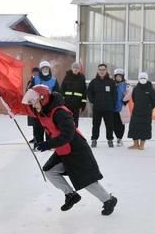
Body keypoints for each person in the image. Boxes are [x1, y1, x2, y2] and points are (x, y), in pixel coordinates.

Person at [22, 85, 118, 216]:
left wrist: (48, 144)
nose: (32, 105)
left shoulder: (60, 112)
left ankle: (108, 200)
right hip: (63, 150)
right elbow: (43, 126)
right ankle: (71, 195)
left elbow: (68, 134)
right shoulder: (43, 111)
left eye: (34, 101)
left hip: (77, 150)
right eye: (31, 102)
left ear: (43, 98)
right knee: (50, 171)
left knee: (87, 181)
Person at [87, 63, 117, 148]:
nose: (102, 71)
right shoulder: (94, 82)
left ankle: (110, 140)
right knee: (96, 125)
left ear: (106, 70)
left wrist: (113, 104)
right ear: (98, 71)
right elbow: (89, 92)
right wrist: (93, 101)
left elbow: (115, 94)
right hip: (97, 108)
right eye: (100, 70)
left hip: (108, 108)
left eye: (103, 70)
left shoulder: (111, 82)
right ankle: (94, 140)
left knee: (109, 125)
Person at [30, 60, 60, 144]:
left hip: (49, 107)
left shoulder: (54, 80)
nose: (45, 70)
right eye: (43, 68)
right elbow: (29, 92)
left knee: (49, 126)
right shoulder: (35, 79)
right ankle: (38, 143)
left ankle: (49, 143)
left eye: (47, 68)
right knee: (37, 126)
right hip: (37, 107)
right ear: (40, 69)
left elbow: (57, 94)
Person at [128, 72, 155, 150]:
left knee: (144, 128)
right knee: (134, 127)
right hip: (136, 112)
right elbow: (134, 98)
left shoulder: (151, 89)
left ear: (147, 79)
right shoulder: (136, 89)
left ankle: (142, 145)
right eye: (141, 78)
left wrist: (149, 107)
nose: (142, 79)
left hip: (146, 113)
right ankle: (135, 144)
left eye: (144, 78)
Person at [60, 62, 87, 127]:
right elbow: (62, 89)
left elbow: (84, 91)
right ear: (72, 68)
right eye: (74, 68)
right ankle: (67, 134)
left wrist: (83, 103)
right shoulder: (67, 77)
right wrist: (62, 101)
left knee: (75, 121)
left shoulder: (82, 78)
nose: (76, 69)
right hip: (67, 103)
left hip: (76, 104)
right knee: (66, 120)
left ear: (79, 69)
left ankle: (75, 135)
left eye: (77, 68)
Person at [112, 69, 129, 146]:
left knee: (121, 124)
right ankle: (116, 136)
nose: (118, 78)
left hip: (122, 108)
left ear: (122, 77)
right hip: (113, 108)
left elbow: (129, 94)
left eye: (120, 76)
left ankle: (120, 138)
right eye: (117, 76)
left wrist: (125, 100)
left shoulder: (126, 85)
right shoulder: (112, 84)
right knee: (114, 124)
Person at [26, 67, 40, 143]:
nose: (35, 74)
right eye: (34, 73)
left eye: (36, 73)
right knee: (34, 123)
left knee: (40, 123)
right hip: (31, 105)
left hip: (38, 104)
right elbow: (27, 91)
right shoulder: (30, 82)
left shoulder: (40, 81)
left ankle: (40, 138)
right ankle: (35, 137)